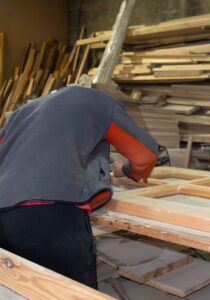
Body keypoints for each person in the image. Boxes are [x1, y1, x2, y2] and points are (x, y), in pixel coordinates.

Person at [0, 86, 158, 288]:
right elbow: (146, 156)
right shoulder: (100, 103)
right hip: (51, 214)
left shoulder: (23, 112)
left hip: (3, 212)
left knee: (19, 289)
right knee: (72, 290)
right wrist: (127, 170)